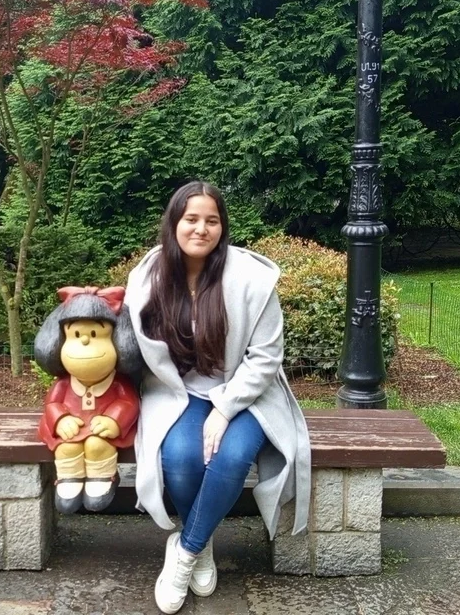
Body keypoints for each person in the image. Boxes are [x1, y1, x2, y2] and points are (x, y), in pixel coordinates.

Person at [125, 181, 311, 615]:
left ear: (223, 227)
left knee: (229, 458)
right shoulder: (149, 278)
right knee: (181, 459)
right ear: (174, 223)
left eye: (212, 220)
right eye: (191, 219)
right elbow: (136, 349)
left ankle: (185, 552)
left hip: (248, 393)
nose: (201, 228)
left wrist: (225, 410)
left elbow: (266, 359)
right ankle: (203, 542)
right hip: (177, 392)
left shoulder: (252, 280)